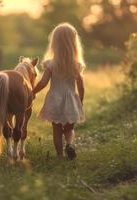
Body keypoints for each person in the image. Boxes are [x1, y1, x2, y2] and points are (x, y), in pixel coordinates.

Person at [33, 23, 85, 159]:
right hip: (71, 100)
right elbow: (81, 85)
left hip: (54, 99)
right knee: (69, 129)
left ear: (54, 43)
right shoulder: (76, 65)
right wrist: (80, 101)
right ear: (73, 43)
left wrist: (32, 92)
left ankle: (60, 155)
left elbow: (43, 82)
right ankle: (70, 144)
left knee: (56, 130)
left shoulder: (51, 63)